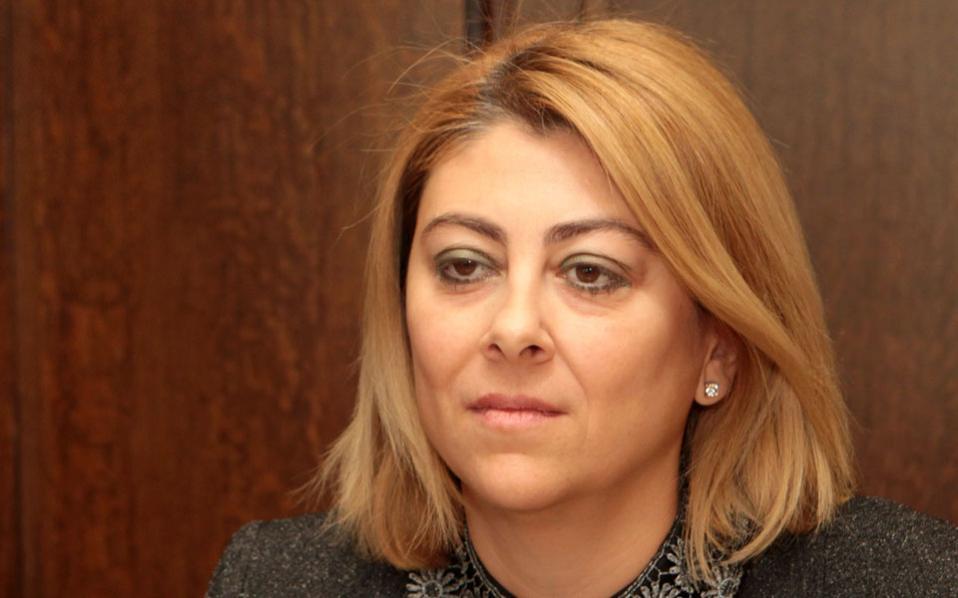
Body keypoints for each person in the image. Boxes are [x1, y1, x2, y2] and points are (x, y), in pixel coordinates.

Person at [206, 18, 957, 597]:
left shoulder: (905, 583)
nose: (513, 329)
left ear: (719, 344)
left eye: (590, 273)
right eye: (465, 265)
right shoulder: (273, 582)